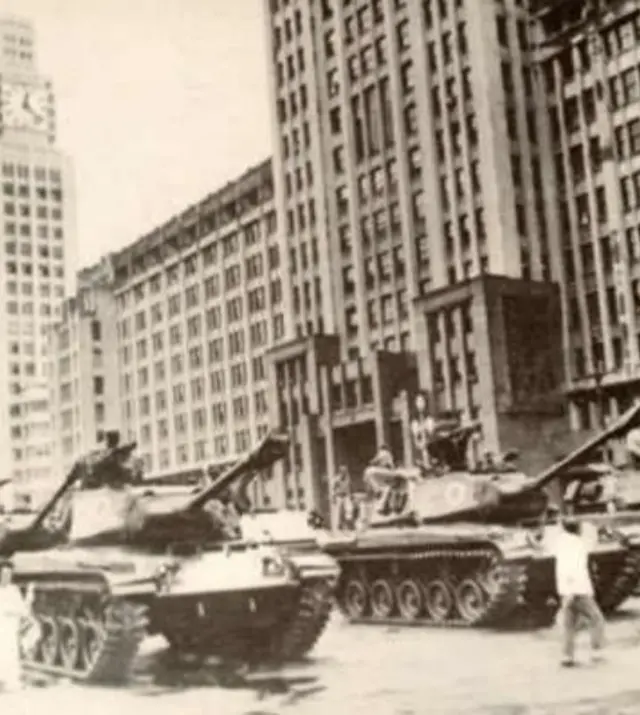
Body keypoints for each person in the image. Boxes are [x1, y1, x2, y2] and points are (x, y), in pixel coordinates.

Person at [549, 517, 605, 667]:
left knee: (569, 624)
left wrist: (566, 592)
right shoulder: (579, 544)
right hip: (578, 589)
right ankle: (596, 652)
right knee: (597, 619)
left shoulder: (559, 542)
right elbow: (576, 567)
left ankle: (567, 656)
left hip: (566, 589)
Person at [0, 562, 32, 691]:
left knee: (12, 652)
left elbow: (21, 608)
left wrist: (30, 596)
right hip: (2, 622)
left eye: (9, 574)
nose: (7, 576)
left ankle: (10, 681)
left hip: (11, 624)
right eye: (4, 574)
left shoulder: (14, 590)